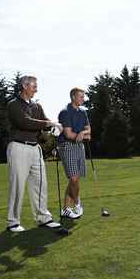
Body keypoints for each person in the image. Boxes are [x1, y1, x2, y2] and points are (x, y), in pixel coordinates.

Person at [6, 75, 62, 232]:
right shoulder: (13, 104)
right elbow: (24, 122)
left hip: (35, 148)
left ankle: (43, 218)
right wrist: (48, 124)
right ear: (24, 86)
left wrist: (53, 128)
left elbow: (44, 120)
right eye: (34, 86)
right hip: (18, 147)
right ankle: (13, 221)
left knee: (40, 184)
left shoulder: (37, 106)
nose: (36, 89)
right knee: (17, 185)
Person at [57, 87, 91, 219]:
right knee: (73, 178)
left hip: (79, 146)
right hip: (67, 146)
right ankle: (77, 203)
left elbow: (89, 131)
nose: (83, 99)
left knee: (74, 179)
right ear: (73, 97)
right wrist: (81, 135)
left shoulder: (83, 112)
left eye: (83, 96)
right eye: (81, 97)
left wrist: (82, 133)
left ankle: (65, 209)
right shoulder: (65, 112)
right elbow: (68, 134)